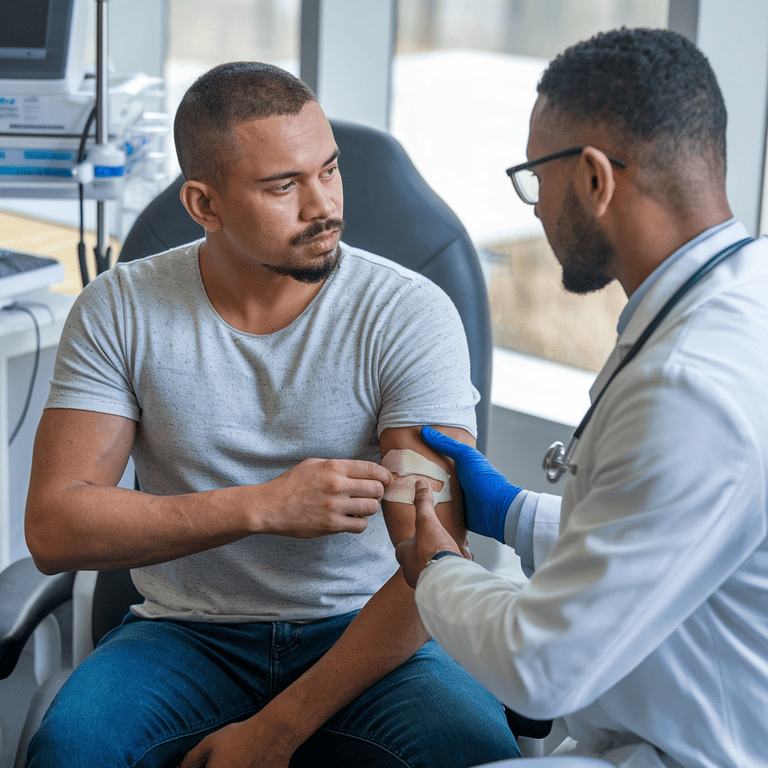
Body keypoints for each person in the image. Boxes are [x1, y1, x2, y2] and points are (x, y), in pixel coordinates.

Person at [23, 62, 520, 768]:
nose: (323, 206)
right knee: (68, 753)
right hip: (186, 635)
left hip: (374, 638)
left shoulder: (408, 314)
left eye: (329, 171)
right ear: (205, 203)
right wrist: (261, 507)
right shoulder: (120, 309)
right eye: (284, 186)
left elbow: (431, 558)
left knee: (474, 754)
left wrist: (278, 730)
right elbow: (55, 527)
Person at [395, 28, 768, 768]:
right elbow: (659, 533)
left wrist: (435, 568)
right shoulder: (732, 302)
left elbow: (539, 669)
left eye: (537, 177)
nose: (534, 209)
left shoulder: (689, 383)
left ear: (595, 179)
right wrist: (512, 512)